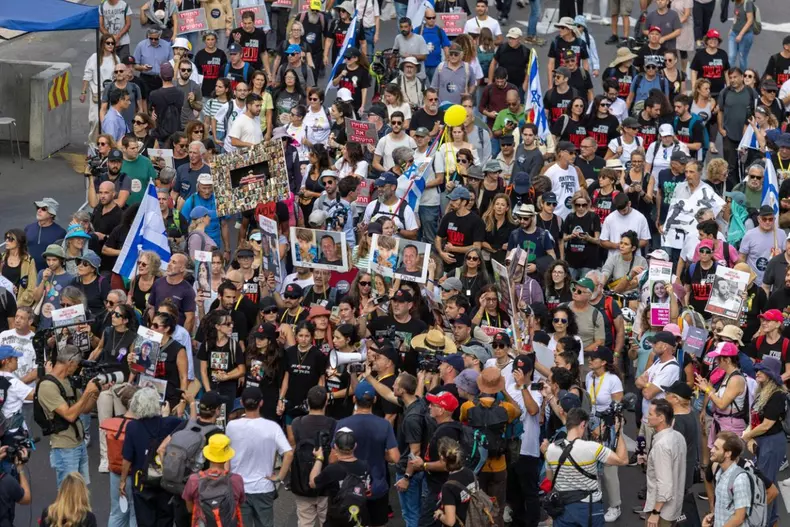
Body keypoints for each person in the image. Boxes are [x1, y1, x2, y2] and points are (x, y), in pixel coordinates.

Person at [544, 407, 629, 526]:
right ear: (583, 424)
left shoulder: (551, 449)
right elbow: (623, 460)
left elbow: (549, 479)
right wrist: (618, 432)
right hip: (589, 507)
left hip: (563, 507)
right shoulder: (592, 448)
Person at [37, 344, 107, 487]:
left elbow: (85, 409)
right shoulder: (47, 386)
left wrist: (96, 392)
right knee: (68, 495)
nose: (77, 368)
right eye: (77, 365)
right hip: (64, 447)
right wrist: (87, 392)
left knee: (82, 491)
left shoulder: (68, 380)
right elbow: (69, 415)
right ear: (70, 363)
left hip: (79, 444)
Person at [741, 356, 786, 526]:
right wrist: (751, 437)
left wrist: (747, 436)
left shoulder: (777, 395)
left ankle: (761, 521)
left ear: (771, 375)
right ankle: (771, 521)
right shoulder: (763, 391)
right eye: (757, 369)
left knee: (763, 484)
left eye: (762, 370)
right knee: (769, 481)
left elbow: (767, 424)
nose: (757, 373)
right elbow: (757, 420)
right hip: (764, 441)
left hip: (772, 442)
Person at [181, 434, 245, 525]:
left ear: (207, 455)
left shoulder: (194, 480)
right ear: (227, 456)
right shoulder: (236, 479)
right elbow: (239, 503)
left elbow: (190, 509)